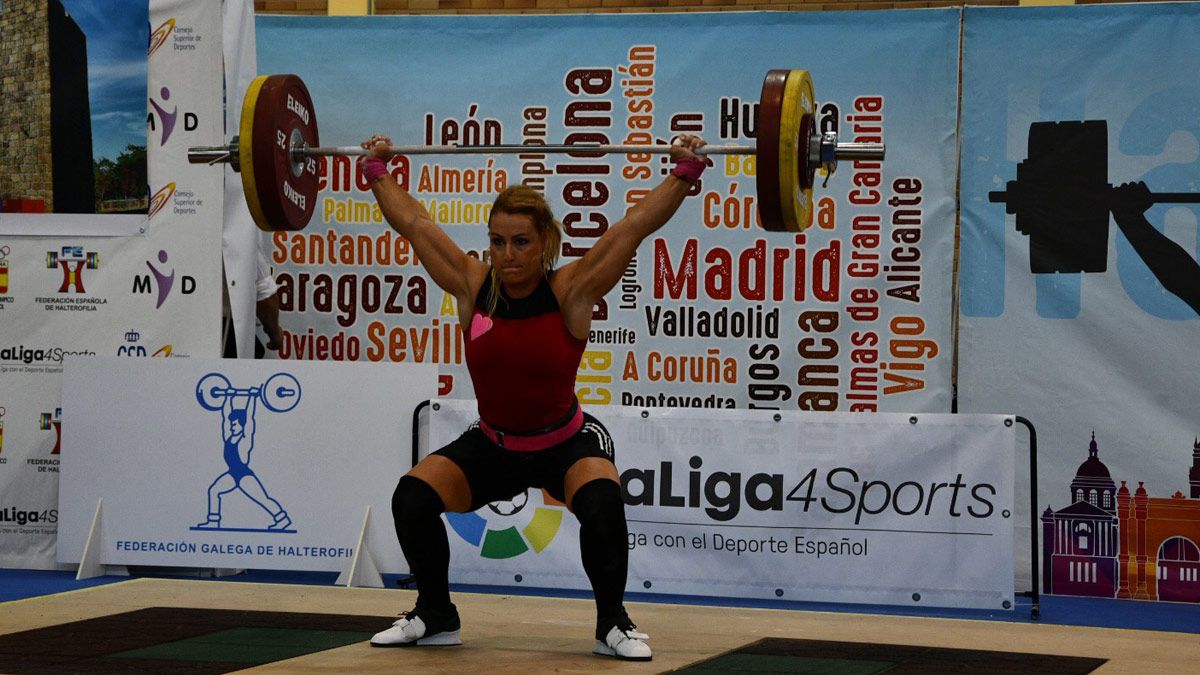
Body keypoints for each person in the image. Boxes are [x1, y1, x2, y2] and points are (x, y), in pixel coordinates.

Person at [359, 133, 710, 661]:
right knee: (412, 497)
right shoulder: (472, 285)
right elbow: (416, 225)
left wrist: (684, 173)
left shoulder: (572, 290)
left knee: (602, 503)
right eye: (497, 242)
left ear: (545, 242)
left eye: (520, 242)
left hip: (564, 442)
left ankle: (611, 624)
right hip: (494, 444)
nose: (507, 254)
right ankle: (435, 615)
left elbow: (633, 228)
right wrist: (376, 171)